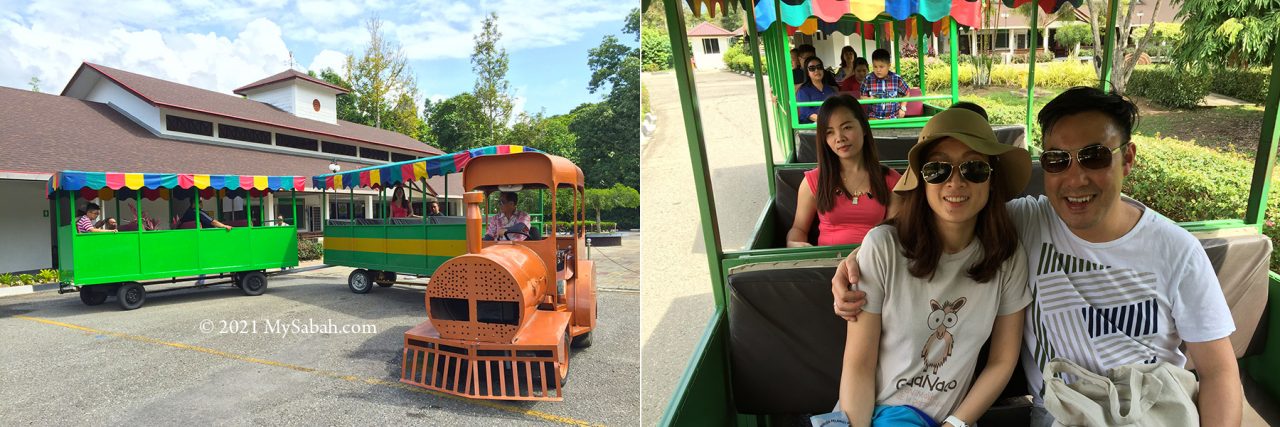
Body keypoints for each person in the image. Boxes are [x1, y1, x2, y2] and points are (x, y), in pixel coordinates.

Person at [831, 88, 1242, 427]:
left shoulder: (1176, 250)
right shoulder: (1023, 224)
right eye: (1058, 161)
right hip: (1063, 414)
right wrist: (858, 259)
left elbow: (1219, 371)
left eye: (1095, 157)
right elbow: (941, 214)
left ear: (1127, 158)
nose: (1075, 178)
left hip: (1150, 411)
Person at [813, 107, 1032, 427]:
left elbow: (1002, 360)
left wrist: (956, 423)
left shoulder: (1007, 256)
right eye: (938, 169)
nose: (955, 182)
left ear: (991, 177)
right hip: (870, 414)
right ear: (922, 179)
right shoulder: (884, 249)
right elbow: (859, 365)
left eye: (973, 168)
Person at [787, 95, 900, 247]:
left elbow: (893, 234)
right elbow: (799, 228)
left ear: (864, 128)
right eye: (830, 132)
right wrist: (794, 244)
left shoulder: (892, 181)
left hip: (874, 264)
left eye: (847, 127)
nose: (839, 138)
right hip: (826, 265)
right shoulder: (813, 181)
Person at [861, 49, 911, 119]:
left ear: (889, 65)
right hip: (874, 117)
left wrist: (903, 108)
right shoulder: (868, 79)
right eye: (875, 66)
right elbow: (862, 97)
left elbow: (907, 93)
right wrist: (869, 99)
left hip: (894, 117)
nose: (878, 70)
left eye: (881, 67)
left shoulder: (897, 79)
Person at [797, 56, 839, 124]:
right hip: (811, 127)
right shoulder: (803, 91)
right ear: (807, 72)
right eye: (812, 68)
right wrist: (826, 122)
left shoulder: (830, 90)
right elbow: (806, 112)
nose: (816, 70)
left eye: (819, 67)